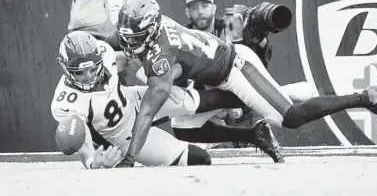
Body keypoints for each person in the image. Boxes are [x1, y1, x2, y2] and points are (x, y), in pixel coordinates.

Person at [114, 0, 377, 168]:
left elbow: (149, 109)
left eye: (134, 36)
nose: (129, 41)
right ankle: (253, 134)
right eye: (126, 34)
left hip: (236, 68)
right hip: (211, 77)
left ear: (151, 29)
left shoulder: (163, 54)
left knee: (291, 118)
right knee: (186, 129)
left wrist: (129, 157)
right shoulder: (157, 28)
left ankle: (365, 98)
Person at [50, 31, 285, 168]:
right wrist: (93, 161)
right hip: (123, 137)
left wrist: (154, 78)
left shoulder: (104, 53)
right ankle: (253, 134)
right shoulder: (65, 101)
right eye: (80, 73)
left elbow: (126, 61)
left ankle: (276, 97)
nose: (89, 76)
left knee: (205, 101)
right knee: (200, 158)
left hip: (136, 100)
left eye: (92, 69)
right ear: (66, 69)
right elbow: (79, 140)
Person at [182, 0, 312, 149]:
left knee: (260, 143)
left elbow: (258, 65)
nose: (200, 12)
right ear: (187, 13)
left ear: (214, 8)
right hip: (209, 106)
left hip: (242, 102)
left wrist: (257, 38)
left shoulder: (232, 26)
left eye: (204, 6)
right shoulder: (184, 37)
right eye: (194, 8)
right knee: (200, 153)